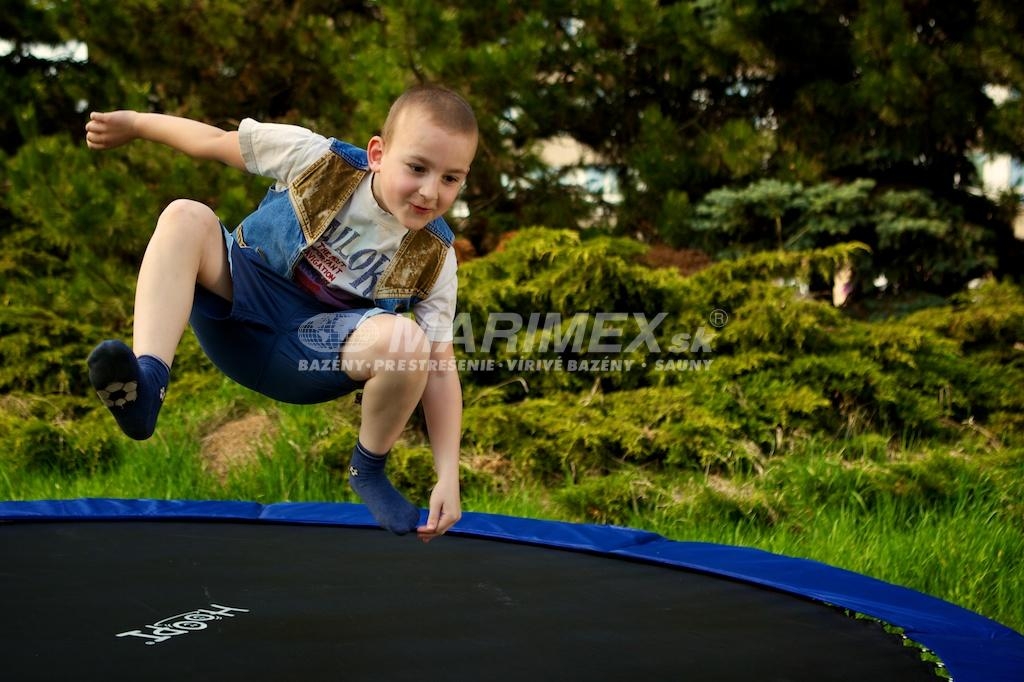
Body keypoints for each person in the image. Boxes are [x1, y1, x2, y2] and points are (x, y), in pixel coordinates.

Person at [83, 85, 478, 542]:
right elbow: (213, 141)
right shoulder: (316, 159)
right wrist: (136, 123)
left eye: (451, 179)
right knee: (184, 215)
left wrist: (448, 475)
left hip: (312, 353)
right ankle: (149, 382)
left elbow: (441, 369)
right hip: (240, 306)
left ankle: (368, 470)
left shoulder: (436, 256)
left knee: (409, 344)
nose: (430, 191)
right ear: (377, 154)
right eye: (417, 168)